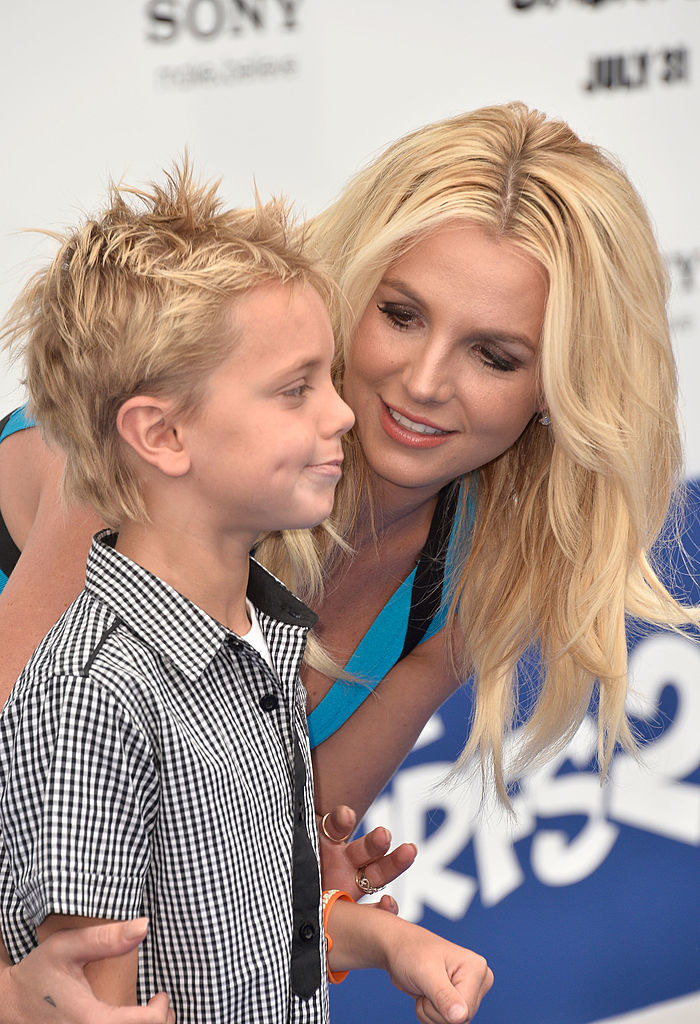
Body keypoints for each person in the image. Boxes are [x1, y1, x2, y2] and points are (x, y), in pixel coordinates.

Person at [0, 101, 696, 1018]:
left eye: (494, 354)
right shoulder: (157, 449)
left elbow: (248, 861)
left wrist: (343, 921)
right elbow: (45, 850)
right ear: (351, 287)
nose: (424, 382)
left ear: (555, 390)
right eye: (402, 315)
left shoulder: (482, 565)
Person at [0, 164, 493, 1024]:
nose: (342, 415)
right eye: (297, 389)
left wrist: (382, 941)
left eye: (330, 379)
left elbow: (229, 931)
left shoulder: (257, 649)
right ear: (160, 433)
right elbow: (95, 990)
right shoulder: (93, 694)